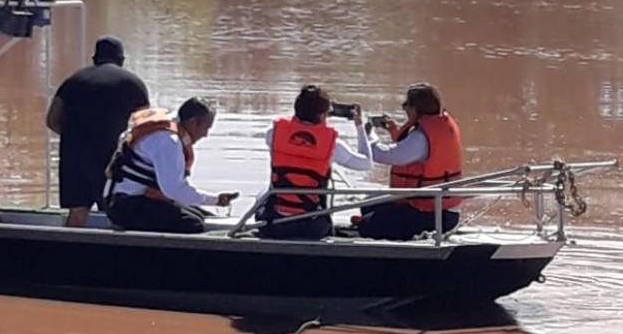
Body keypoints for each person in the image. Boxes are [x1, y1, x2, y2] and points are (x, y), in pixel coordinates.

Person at [46, 36, 149, 227]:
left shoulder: (73, 81)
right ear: (121, 60)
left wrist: (74, 139)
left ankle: (67, 253)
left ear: (94, 58)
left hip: (73, 155)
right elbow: (144, 127)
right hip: (111, 158)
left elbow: (51, 120)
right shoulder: (133, 84)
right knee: (115, 212)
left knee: (77, 212)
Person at [105, 97, 239, 234]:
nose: (205, 135)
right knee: (193, 224)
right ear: (193, 122)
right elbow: (174, 190)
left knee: (202, 215)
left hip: (131, 200)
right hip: (126, 206)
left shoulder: (169, 126)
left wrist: (214, 200)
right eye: (206, 128)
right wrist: (214, 200)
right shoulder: (168, 142)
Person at [259, 85, 373, 240]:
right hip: (311, 227)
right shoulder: (333, 146)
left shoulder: (273, 134)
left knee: (262, 195)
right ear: (323, 114)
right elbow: (366, 163)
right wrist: (360, 127)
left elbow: (296, 132)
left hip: (274, 225)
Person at [359, 82, 462, 241]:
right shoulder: (439, 125)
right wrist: (393, 131)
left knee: (367, 225)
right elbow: (409, 155)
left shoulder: (421, 137)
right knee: (368, 205)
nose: (405, 108)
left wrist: (367, 135)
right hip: (439, 208)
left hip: (432, 214)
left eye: (406, 104)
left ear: (416, 108)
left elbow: (389, 155)